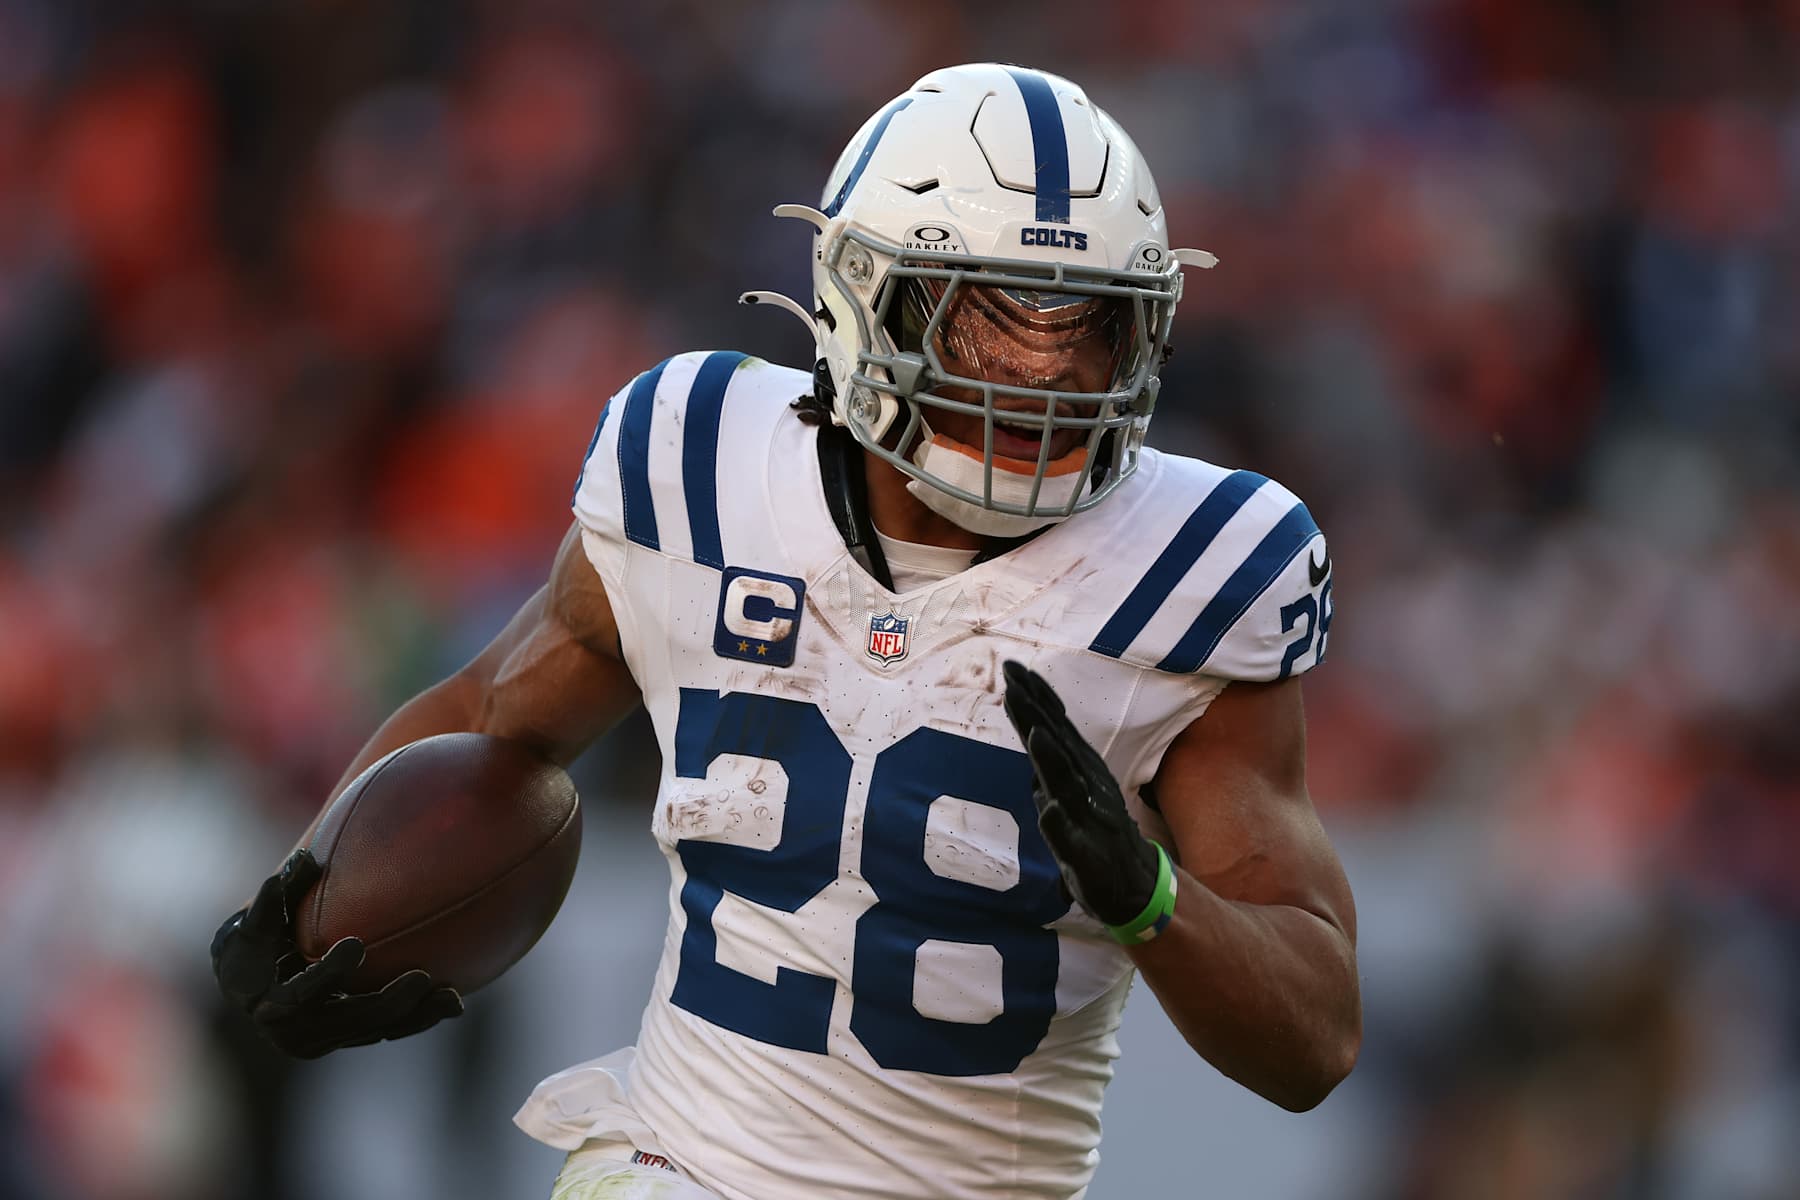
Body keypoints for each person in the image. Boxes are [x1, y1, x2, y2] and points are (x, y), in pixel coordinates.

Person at [211, 63, 1360, 1200]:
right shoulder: (702, 462)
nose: (1043, 376)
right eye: (990, 325)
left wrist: (1153, 897)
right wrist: (306, 897)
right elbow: (492, 714)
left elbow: (1315, 1040)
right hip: (681, 1166)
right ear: (868, 294)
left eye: (1088, 332)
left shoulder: (1197, 569)